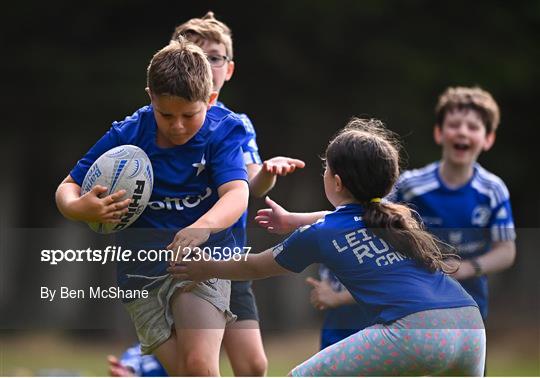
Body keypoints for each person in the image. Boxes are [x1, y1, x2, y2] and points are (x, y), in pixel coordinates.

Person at [170, 118, 487, 376]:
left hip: (415, 332)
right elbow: (340, 219)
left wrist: (206, 266)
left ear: (336, 182)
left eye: (326, 168)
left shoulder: (322, 233)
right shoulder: (396, 219)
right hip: (470, 325)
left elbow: (256, 265)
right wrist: (294, 219)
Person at [108, 11, 305, 377]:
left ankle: (144, 367)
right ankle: (143, 367)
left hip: (227, 254)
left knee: (253, 365)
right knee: (196, 361)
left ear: (228, 68)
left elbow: (249, 187)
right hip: (172, 257)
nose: (207, 63)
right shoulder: (159, 123)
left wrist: (266, 173)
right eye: (198, 55)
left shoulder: (234, 125)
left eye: (215, 57)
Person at [56, 38, 250, 376]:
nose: (177, 126)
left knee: (200, 366)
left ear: (211, 99)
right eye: (166, 114)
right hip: (139, 272)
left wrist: (201, 228)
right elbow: (67, 188)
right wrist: (81, 208)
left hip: (200, 264)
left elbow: (237, 193)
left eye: (189, 115)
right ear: (150, 97)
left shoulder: (223, 132)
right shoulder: (129, 133)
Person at [391, 86, 516, 321]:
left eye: (473, 127)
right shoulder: (410, 186)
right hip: (415, 306)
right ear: (439, 133)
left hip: (471, 308)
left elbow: (507, 251)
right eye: (454, 125)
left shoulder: (493, 190)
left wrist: (466, 268)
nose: (462, 132)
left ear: (488, 139)